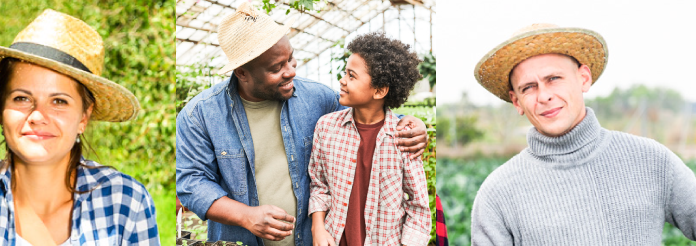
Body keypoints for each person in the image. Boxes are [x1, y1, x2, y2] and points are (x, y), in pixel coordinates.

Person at [175, 3, 430, 246]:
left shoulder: (319, 99)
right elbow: (191, 182)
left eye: (291, 59)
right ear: (242, 73)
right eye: (277, 67)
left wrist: (410, 126)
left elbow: (367, 119)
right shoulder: (200, 115)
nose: (291, 71)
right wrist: (246, 216)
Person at [0, 9, 159, 246]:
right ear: (0, 108)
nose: (37, 115)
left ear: (84, 117)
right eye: (21, 98)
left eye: (59, 101)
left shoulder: (126, 204)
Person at [470, 23, 696, 245]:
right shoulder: (497, 195)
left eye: (554, 78)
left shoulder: (651, 160)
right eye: (528, 87)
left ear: (584, 78)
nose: (544, 95)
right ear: (516, 101)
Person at [307, 32, 444, 246]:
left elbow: (418, 207)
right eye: (345, 73)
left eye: (352, 76)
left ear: (379, 91)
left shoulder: (403, 138)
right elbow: (319, 185)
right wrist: (318, 228)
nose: (342, 81)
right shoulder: (326, 127)